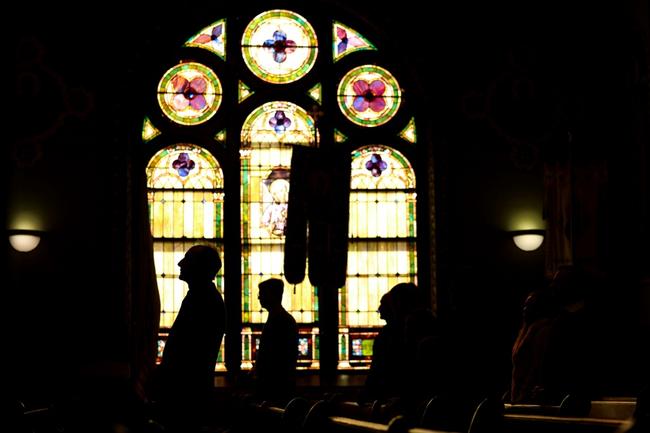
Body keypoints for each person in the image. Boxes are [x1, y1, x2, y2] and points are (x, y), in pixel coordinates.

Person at [151, 245, 226, 431]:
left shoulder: (204, 300)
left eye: (187, 259)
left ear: (200, 266)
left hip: (186, 394)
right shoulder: (201, 297)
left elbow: (188, 351)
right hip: (187, 392)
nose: (180, 263)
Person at [252, 278, 298, 404]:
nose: (259, 297)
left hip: (275, 388)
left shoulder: (281, 321)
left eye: (261, 294)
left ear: (272, 295)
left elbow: (277, 357)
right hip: (275, 385)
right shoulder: (282, 319)